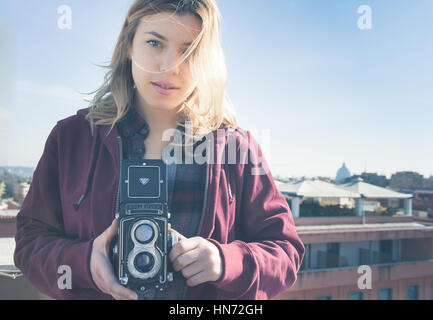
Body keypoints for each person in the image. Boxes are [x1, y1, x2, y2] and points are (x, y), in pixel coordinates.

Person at [14, 0, 305, 300]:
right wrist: (84, 262)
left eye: (189, 51)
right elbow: (30, 241)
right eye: (155, 43)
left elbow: (286, 251)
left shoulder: (237, 149)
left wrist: (224, 262)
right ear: (129, 44)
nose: (171, 66)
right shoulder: (71, 137)